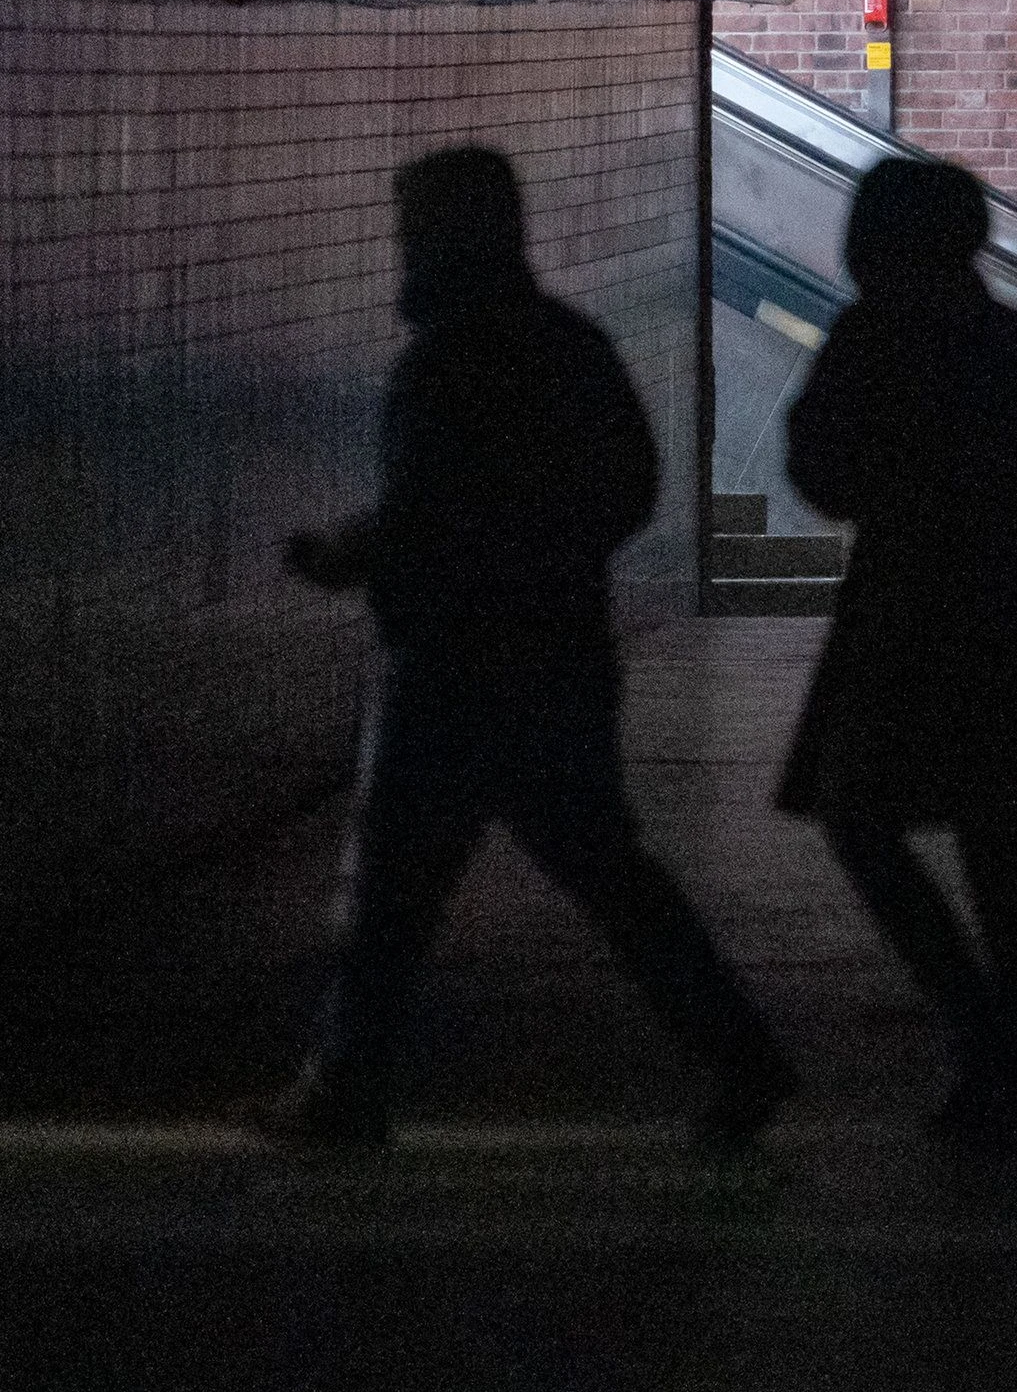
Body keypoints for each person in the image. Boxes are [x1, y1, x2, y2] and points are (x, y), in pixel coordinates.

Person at [266, 147, 796, 1151]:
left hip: (449, 665)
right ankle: (740, 1054)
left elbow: (427, 512)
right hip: (557, 652)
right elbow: (630, 485)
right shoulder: (569, 343)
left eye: (413, 226)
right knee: (609, 871)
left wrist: (348, 553)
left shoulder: (443, 360)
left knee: (390, 892)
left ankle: (346, 1089)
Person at [777, 157, 1017, 1153]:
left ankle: (979, 1032)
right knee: (1001, 848)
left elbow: (820, 468)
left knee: (863, 822)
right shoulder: (1006, 337)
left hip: (907, 618)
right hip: (1015, 626)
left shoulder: (872, 337)